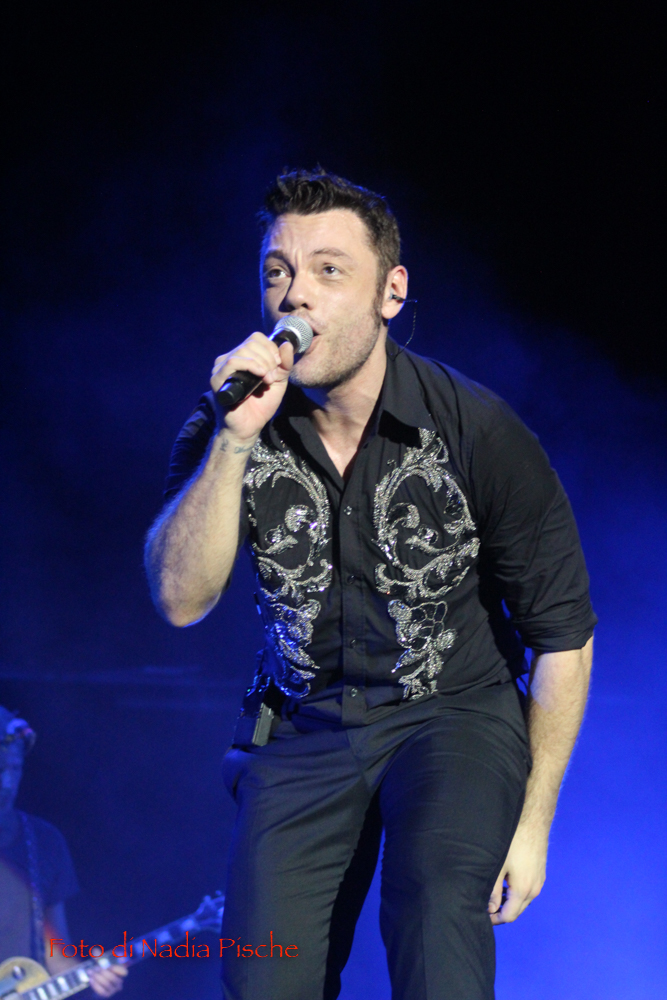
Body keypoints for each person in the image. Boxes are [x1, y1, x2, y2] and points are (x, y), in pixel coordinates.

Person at [144, 169, 596, 1000]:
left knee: (434, 912)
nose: (295, 295)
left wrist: (532, 825)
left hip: (452, 714)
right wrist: (233, 443)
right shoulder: (224, 428)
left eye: (328, 270)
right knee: (262, 978)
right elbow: (180, 601)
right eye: (277, 271)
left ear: (391, 292)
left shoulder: (477, 430)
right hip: (304, 726)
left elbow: (563, 637)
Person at [0, 707, 127, 997]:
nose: (7, 783)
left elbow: (55, 952)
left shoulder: (43, 841)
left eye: (15, 769)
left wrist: (93, 976)